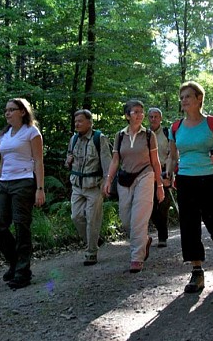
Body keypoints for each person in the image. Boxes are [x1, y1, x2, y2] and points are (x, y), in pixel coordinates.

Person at [168, 81, 213, 294]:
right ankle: (197, 271)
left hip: (209, 176)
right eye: (182, 97)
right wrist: (167, 173)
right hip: (185, 178)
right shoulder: (175, 127)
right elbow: (172, 155)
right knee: (189, 225)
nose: (184, 100)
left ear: (199, 99)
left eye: (188, 96)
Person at [103, 100, 164, 273]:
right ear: (127, 115)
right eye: (135, 111)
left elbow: (156, 161)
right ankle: (144, 240)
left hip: (145, 175)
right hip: (124, 179)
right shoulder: (120, 135)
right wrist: (108, 180)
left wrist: (159, 184)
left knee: (139, 217)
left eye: (141, 111)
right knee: (125, 218)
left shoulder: (148, 135)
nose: (139, 114)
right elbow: (115, 160)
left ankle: (136, 257)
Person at [0, 97, 46, 289]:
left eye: (12, 109)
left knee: (22, 227)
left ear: (22, 112)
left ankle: (22, 272)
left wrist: (40, 188)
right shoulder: (4, 134)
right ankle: (15, 263)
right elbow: (3, 160)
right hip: (4, 183)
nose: (7, 113)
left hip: (24, 183)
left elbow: (38, 161)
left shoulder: (31, 132)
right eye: (6, 110)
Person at [65, 109, 112, 266]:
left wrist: (107, 183)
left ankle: (91, 252)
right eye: (75, 121)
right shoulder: (73, 139)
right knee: (76, 217)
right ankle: (95, 239)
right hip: (77, 185)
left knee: (92, 219)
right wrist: (68, 161)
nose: (77, 124)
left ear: (89, 122)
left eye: (80, 121)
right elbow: (68, 161)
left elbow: (107, 163)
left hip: (94, 185)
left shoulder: (99, 138)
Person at [148, 107, 173, 247]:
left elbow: (173, 154)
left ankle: (162, 237)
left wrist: (169, 173)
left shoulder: (166, 133)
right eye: (151, 117)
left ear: (160, 118)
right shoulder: (144, 134)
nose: (153, 119)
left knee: (163, 204)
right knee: (150, 206)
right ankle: (161, 230)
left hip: (164, 171)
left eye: (156, 116)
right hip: (148, 173)